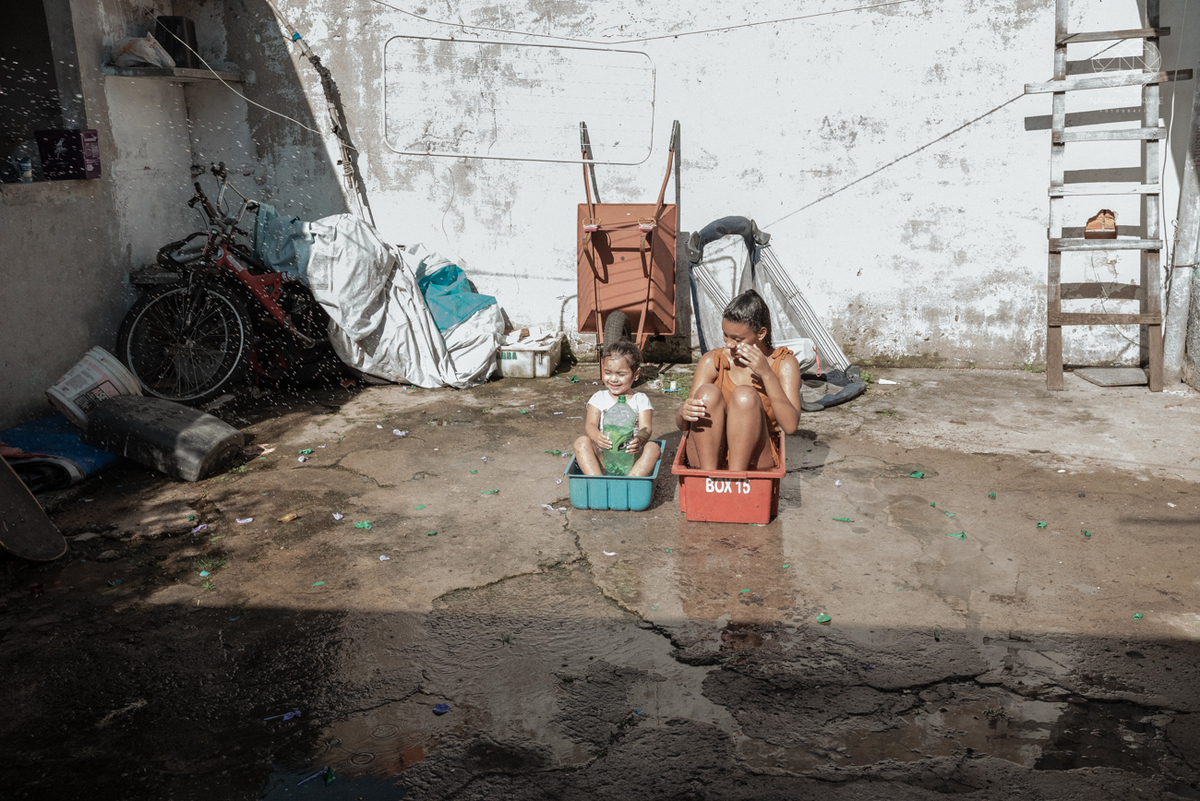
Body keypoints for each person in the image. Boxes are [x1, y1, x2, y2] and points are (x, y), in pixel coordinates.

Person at [676, 289, 801, 471]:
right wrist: (682, 412)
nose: (728, 344)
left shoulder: (783, 364)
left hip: (755, 460)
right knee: (706, 394)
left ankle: (735, 481)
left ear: (761, 333)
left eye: (738, 339)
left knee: (745, 396)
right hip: (707, 459)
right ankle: (709, 480)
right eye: (725, 335)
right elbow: (684, 425)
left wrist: (766, 374)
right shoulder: (713, 361)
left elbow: (790, 427)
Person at [573, 339, 662, 476]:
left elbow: (646, 428)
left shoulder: (641, 399)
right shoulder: (599, 397)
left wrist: (639, 439)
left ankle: (631, 481)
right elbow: (590, 425)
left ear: (636, 374)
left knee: (653, 448)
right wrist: (597, 436)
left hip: (631, 459)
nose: (613, 379)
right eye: (608, 372)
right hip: (605, 457)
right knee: (581, 442)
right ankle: (597, 480)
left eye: (621, 374)